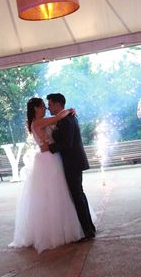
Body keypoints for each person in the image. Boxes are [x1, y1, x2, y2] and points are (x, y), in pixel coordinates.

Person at [10, 97, 87, 252]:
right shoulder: (37, 123)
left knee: (62, 193)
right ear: (36, 109)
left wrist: (69, 111)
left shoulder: (42, 121)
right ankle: (56, 232)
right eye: (43, 106)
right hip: (48, 159)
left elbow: (58, 120)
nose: (45, 108)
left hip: (52, 157)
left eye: (47, 106)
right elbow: (59, 117)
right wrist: (70, 110)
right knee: (52, 195)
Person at [48, 93, 96, 240]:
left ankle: (88, 231)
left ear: (57, 105)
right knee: (79, 194)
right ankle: (89, 227)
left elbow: (66, 143)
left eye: (50, 104)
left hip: (73, 162)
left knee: (77, 196)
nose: (49, 107)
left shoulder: (67, 120)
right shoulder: (65, 118)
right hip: (74, 161)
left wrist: (50, 147)